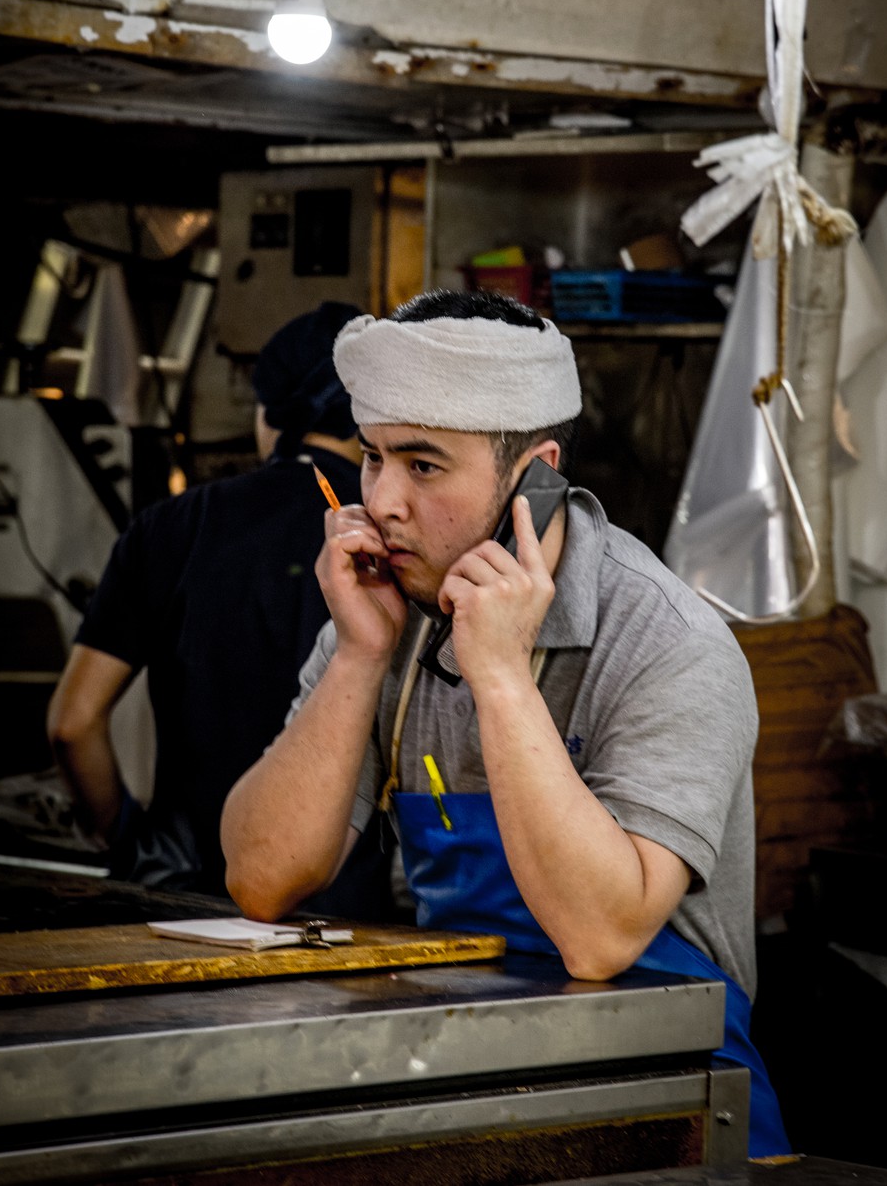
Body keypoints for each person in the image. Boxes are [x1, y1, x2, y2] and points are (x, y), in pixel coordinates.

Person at [220, 288, 790, 1156]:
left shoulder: (669, 644)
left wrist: (500, 678)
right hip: (470, 1075)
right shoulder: (389, 616)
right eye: (374, 459)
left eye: (424, 465)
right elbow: (261, 878)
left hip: (671, 1101)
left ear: (535, 478)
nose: (384, 501)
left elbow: (601, 939)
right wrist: (358, 659)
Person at [47, 300, 399, 918]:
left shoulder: (175, 526)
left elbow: (73, 721)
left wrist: (128, 839)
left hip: (188, 897)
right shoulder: (399, 535)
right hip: (356, 910)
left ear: (270, 411)